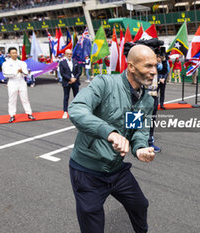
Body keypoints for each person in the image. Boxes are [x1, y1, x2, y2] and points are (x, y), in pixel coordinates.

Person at [68, 44, 156, 233]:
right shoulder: (104, 83)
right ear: (131, 66)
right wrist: (109, 132)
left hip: (117, 170)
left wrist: (139, 147)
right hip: (87, 172)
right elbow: (77, 109)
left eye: (155, 66)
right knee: (93, 225)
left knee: (140, 205)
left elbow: (138, 129)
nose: (154, 71)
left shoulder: (146, 99)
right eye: (148, 66)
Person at [2, 47, 35, 123]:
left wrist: (21, 71)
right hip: (12, 82)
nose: (15, 54)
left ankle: (29, 113)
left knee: (25, 98)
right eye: (13, 53)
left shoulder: (22, 63)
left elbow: (26, 73)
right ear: (9, 54)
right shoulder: (6, 64)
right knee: (12, 99)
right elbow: (5, 74)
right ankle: (12, 115)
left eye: (15, 52)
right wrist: (15, 72)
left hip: (21, 82)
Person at [59, 49, 81, 119]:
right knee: (66, 97)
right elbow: (62, 73)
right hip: (67, 82)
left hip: (75, 81)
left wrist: (75, 78)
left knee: (77, 97)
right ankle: (65, 111)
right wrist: (70, 79)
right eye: (68, 54)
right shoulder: (62, 63)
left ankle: (77, 111)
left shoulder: (75, 61)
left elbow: (79, 72)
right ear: (65, 54)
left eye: (70, 54)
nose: (69, 55)